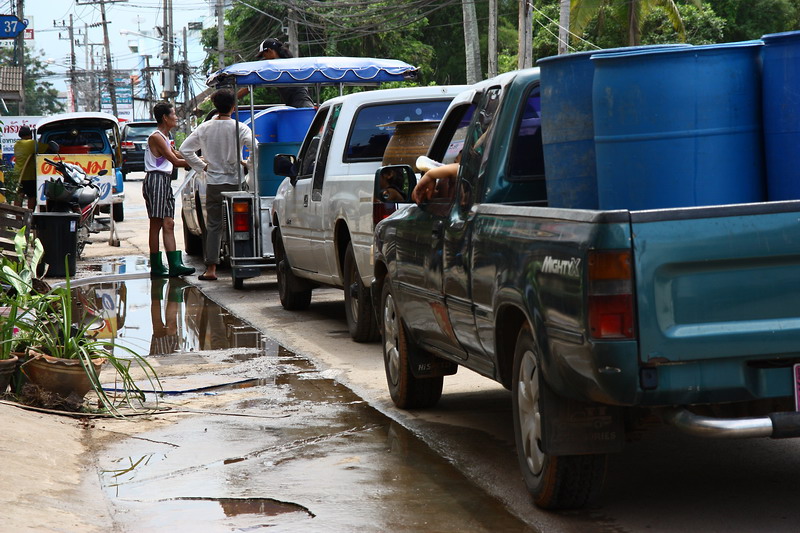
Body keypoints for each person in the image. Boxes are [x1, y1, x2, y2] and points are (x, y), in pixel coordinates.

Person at [180, 88, 253, 282]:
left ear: (215, 106)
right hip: (235, 182)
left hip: (214, 183)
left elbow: (185, 149)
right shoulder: (240, 127)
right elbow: (256, 147)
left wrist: (201, 166)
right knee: (239, 223)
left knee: (213, 226)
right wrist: (248, 164)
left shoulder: (205, 128)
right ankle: (241, 264)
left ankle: (211, 269)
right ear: (233, 107)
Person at [143, 101, 195, 278]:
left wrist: (199, 156)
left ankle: (174, 264)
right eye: (174, 114)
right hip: (156, 179)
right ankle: (156, 266)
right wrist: (200, 163)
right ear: (165, 118)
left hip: (164, 181)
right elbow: (176, 161)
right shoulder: (156, 137)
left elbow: (177, 154)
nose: (176, 117)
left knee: (169, 223)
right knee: (156, 224)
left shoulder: (166, 136)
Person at [237, 38, 314, 108]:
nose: (264, 59)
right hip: (303, 106)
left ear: (270, 51)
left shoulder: (274, 67)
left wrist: (232, 100)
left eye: (264, 55)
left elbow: (250, 84)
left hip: (301, 107)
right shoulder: (288, 63)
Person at [12, 126, 53, 210]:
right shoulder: (31, 144)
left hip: (17, 174)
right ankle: (30, 215)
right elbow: (49, 148)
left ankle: (18, 218)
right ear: (30, 134)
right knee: (32, 196)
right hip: (28, 175)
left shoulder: (17, 144)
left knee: (19, 195)